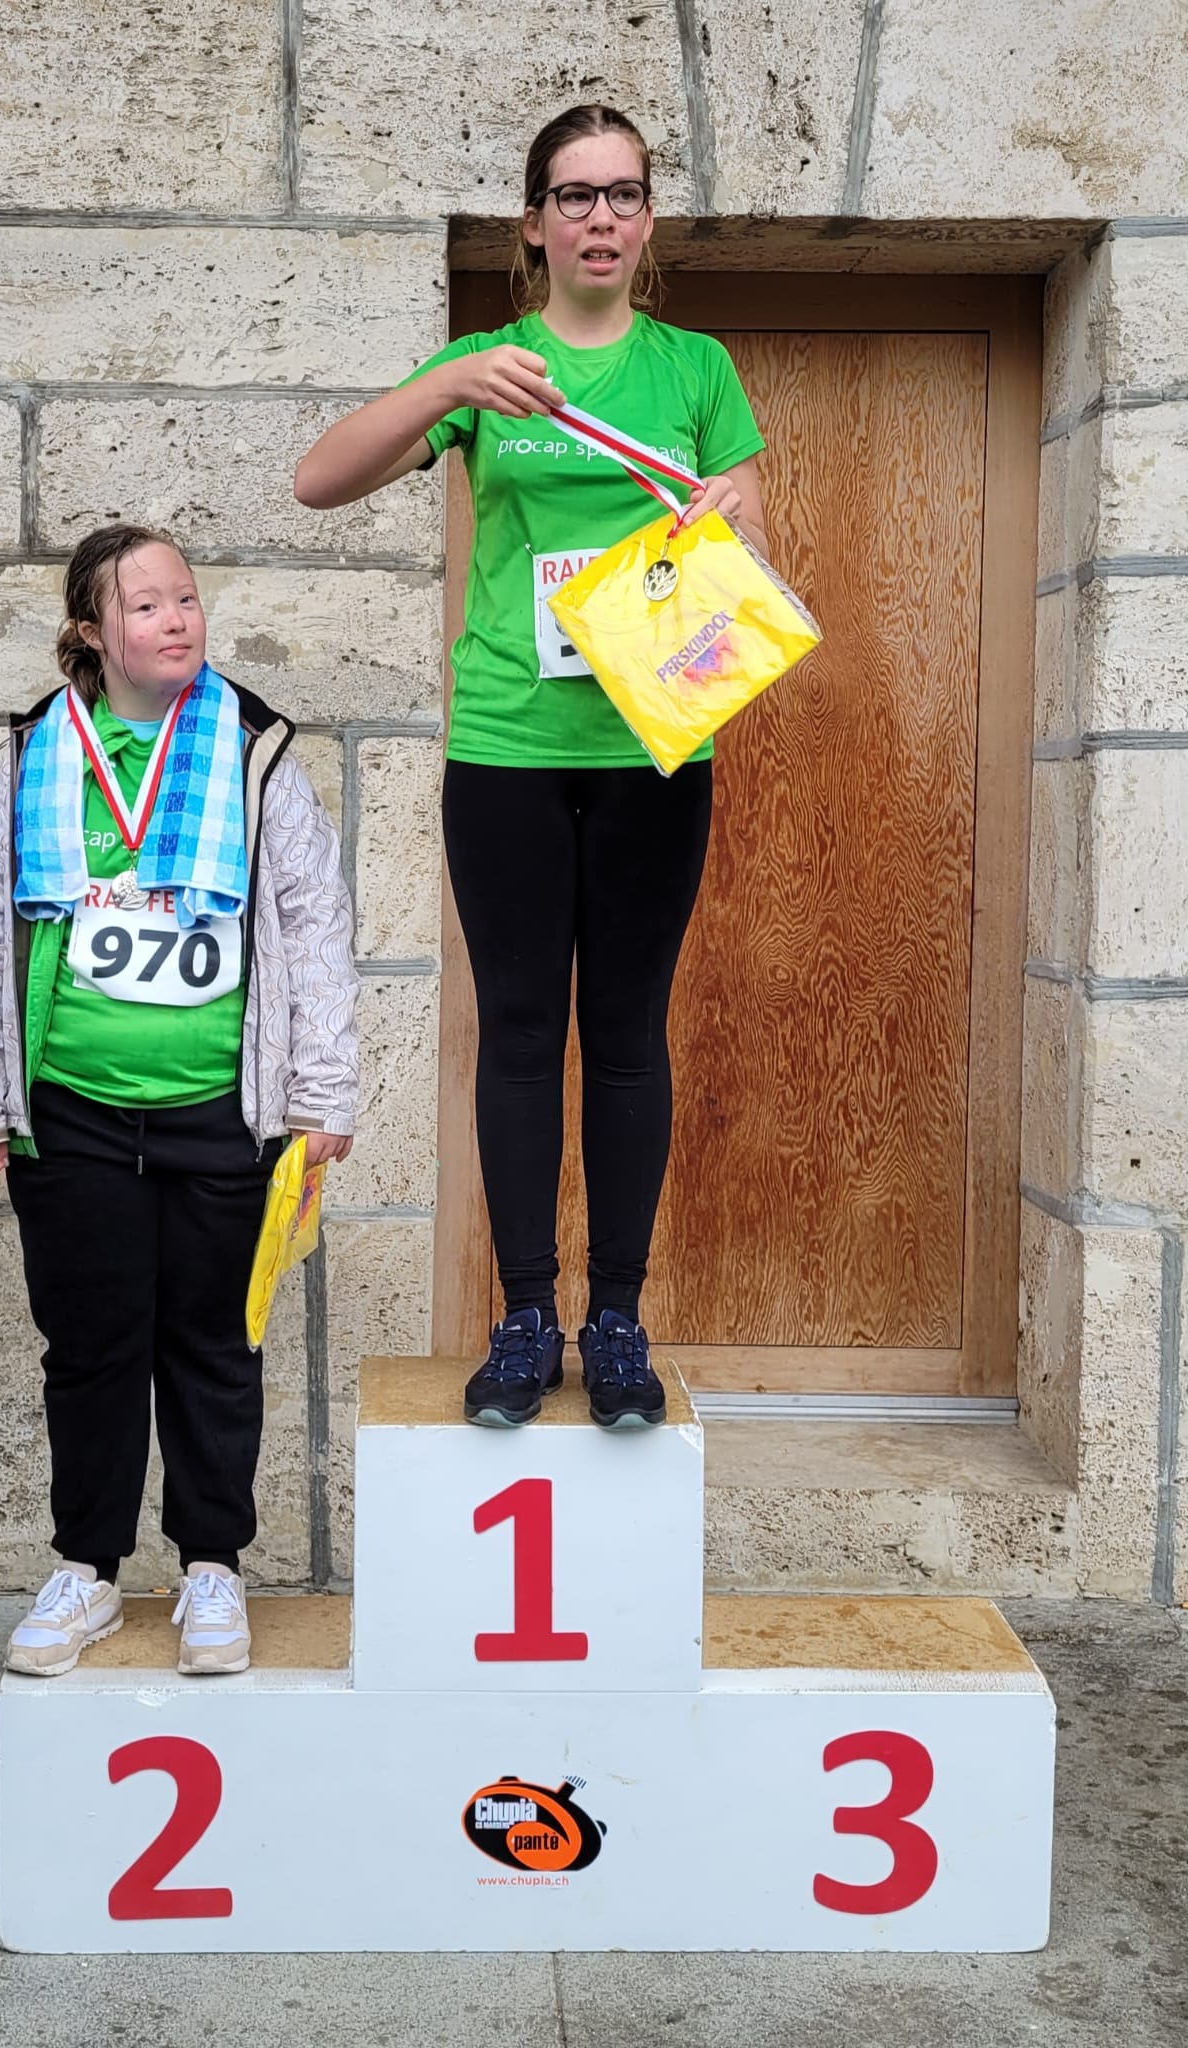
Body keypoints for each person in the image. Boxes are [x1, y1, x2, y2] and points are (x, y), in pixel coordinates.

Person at [294, 103, 768, 1431]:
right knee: (515, 1030)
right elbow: (318, 481)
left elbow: (754, 555)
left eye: (622, 194)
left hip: (654, 739)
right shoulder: (489, 364)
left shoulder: (695, 369)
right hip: (507, 742)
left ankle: (616, 1321)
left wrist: (730, 519)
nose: (599, 217)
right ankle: (521, 1319)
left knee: (624, 1032)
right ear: (535, 222)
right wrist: (446, 389)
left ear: (649, 220)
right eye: (574, 195)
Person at [0, 523, 357, 1675]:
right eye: (146, 605)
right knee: (91, 1343)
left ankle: (212, 1565)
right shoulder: (36, 752)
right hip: (70, 1107)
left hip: (221, 1110)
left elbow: (315, 922)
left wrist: (323, 1089)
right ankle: (86, 1568)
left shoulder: (254, 750)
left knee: (215, 1341)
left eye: (187, 598)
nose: (177, 619)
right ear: (91, 631)